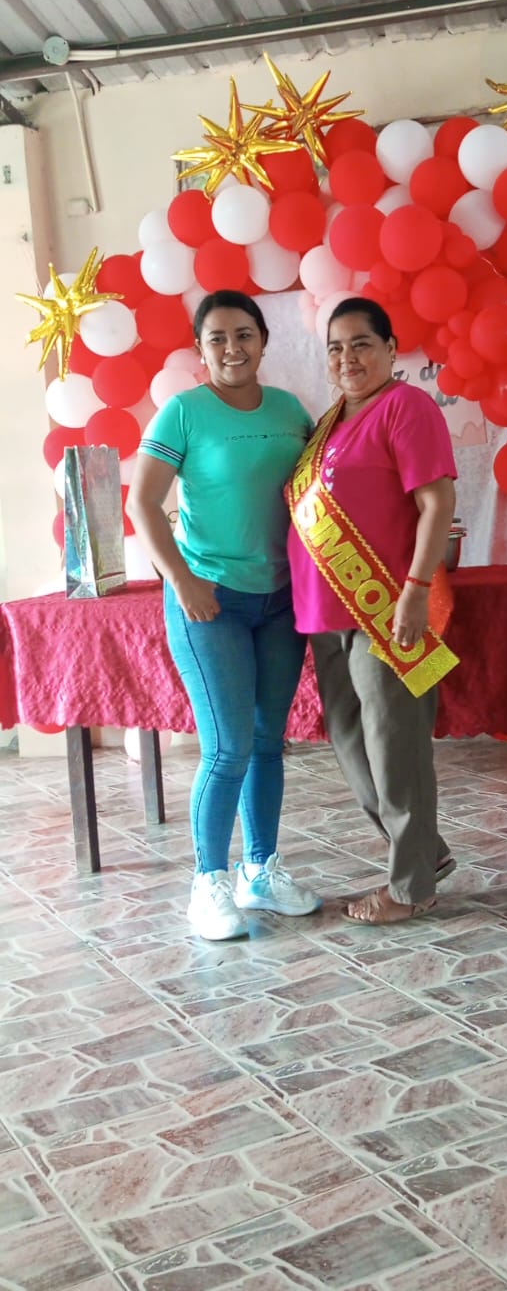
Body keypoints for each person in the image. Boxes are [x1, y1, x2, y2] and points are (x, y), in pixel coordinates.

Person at [127, 289, 321, 941]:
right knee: (228, 747)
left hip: (281, 600)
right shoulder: (183, 413)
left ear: (263, 341)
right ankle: (207, 881)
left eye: (244, 334)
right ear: (200, 349)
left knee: (267, 741)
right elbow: (143, 505)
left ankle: (259, 870)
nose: (232, 348)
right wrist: (182, 581)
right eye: (217, 338)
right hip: (210, 600)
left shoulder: (291, 410)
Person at [287, 296, 458, 925]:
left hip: (384, 608)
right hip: (324, 613)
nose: (347, 358)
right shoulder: (330, 422)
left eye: (361, 343)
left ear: (390, 348)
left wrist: (414, 590)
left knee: (394, 747)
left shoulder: (407, 407)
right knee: (352, 745)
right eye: (335, 347)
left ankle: (411, 889)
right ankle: (426, 855)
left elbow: (436, 504)